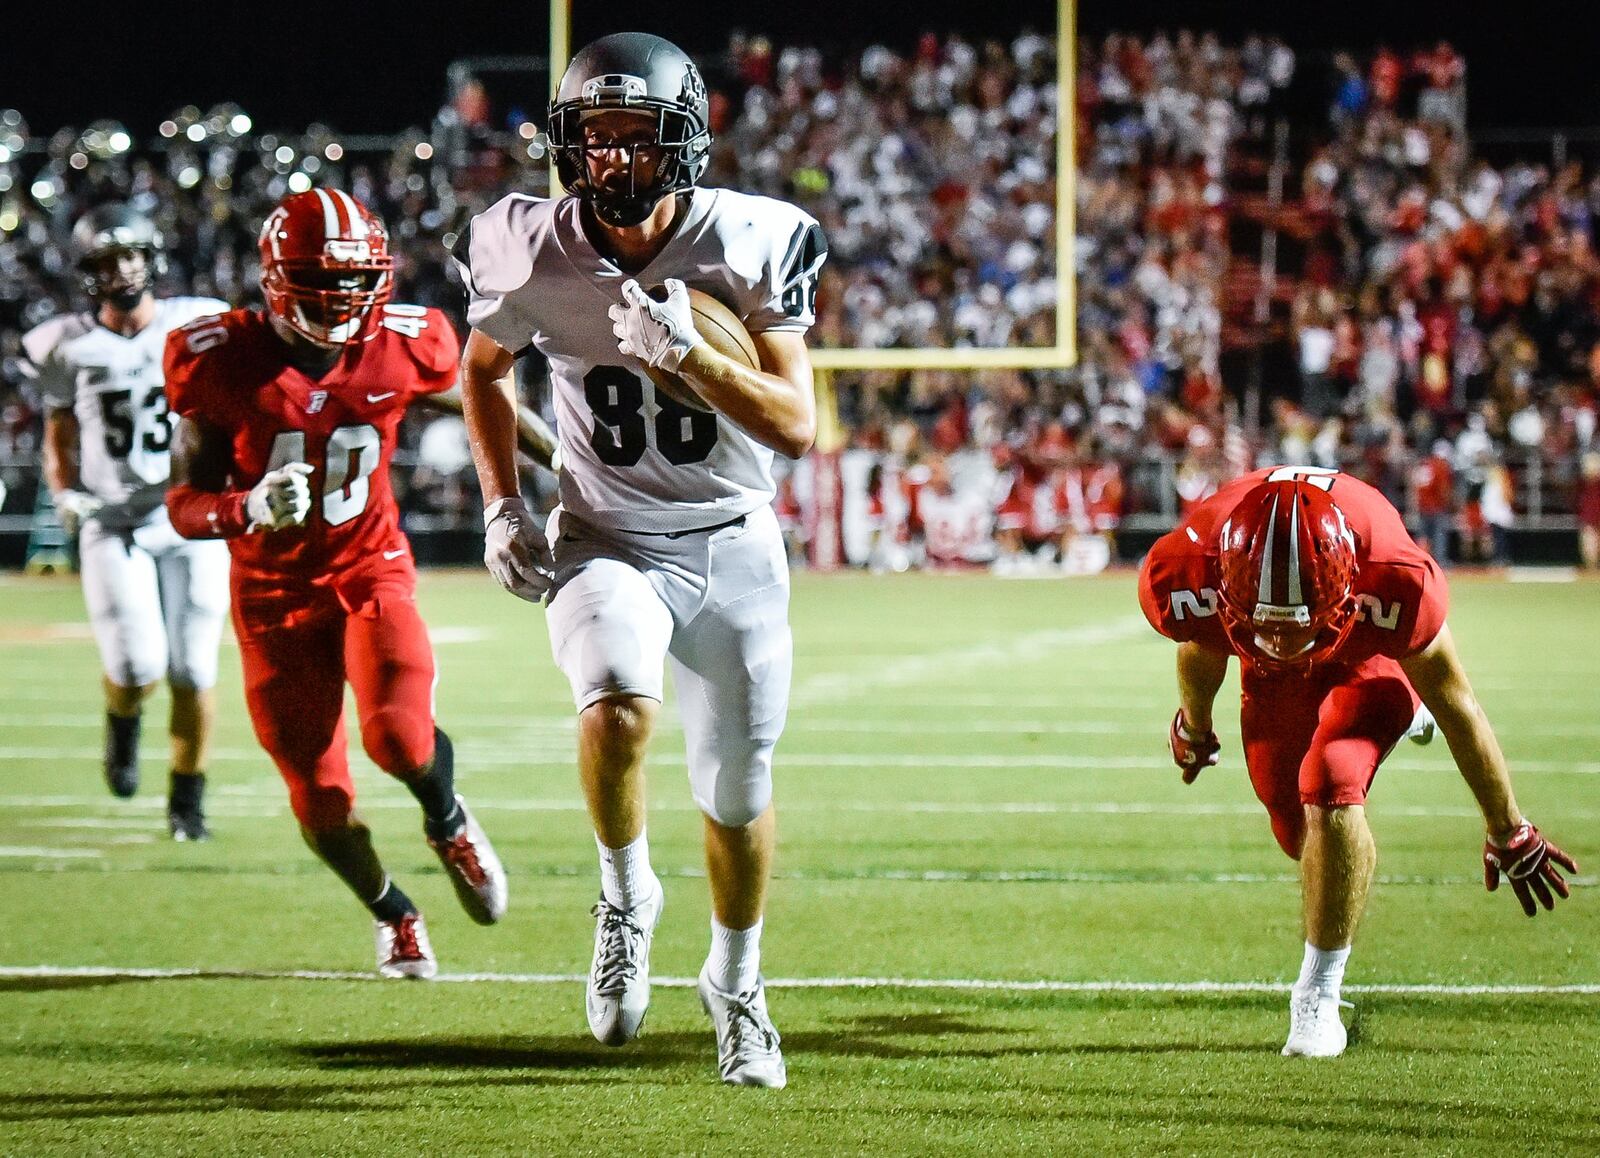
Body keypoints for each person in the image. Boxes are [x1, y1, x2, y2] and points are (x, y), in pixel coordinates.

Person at [455, 32, 826, 1087]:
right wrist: (502, 504)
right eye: (596, 140)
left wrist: (694, 357)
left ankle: (736, 985)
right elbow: (480, 372)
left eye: (636, 139)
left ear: (686, 145)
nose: (613, 162)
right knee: (616, 701)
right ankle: (625, 896)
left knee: (736, 790)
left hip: (733, 539)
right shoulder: (526, 244)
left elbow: (797, 425)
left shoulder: (753, 238)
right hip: (607, 535)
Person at [163, 188, 550, 977]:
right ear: (276, 278)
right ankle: (393, 911)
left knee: (400, 737)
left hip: (369, 571)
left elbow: (480, 394)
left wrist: (569, 468)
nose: (342, 298)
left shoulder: (402, 343)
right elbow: (182, 502)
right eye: (322, 280)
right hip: (273, 599)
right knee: (321, 799)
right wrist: (242, 507)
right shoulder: (218, 358)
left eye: (357, 279)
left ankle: (448, 821)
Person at [1138, 465, 1577, 1058]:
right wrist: (1194, 723)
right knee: (1299, 837)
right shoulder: (1186, 567)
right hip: (1267, 674)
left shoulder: (1392, 578)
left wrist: (1508, 826)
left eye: (1297, 629)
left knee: (1331, 779)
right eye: (1270, 628)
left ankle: (1316, 995)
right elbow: (1202, 640)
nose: (1287, 645)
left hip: (1364, 651)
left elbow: (1457, 701)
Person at [22, 203, 231, 839]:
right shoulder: (63, 343)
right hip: (113, 522)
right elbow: (59, 430)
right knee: (138, 668)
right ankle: (123, 718)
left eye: (131, 256)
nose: (122, 271)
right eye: (108, 261)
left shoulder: (194, 321)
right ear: (88, 271)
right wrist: (65, 491)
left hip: (190, 516)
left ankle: (187, 799)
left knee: (193, 669)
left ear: (151, 257)